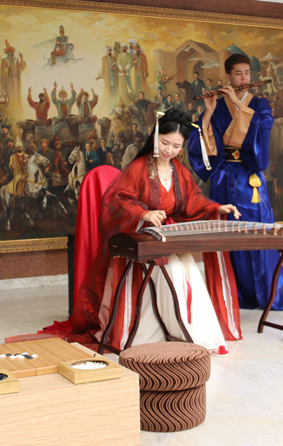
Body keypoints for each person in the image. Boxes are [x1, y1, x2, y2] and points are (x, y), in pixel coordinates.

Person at [51, 109, 242, 353]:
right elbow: (118, 200)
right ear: (155, 136)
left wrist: (216, 207)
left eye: (176, 146)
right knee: (173, 271)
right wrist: (143, 213)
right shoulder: (139, 167)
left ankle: (196, 337)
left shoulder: (178, 171)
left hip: (168, 237)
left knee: (188, 273)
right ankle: (159, 334)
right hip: (140, 236)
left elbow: (193, 200)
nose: (169, 150)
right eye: (165, 142)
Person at [187, 53, 283, 311]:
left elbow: (263, 127)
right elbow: (202, 140)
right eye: (238, 74)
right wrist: (209, 113)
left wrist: (238, 104)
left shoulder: (260, 103)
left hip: (249, 178)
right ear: (228, 76)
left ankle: (267, 294)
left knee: (257, 232)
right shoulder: (217, 104)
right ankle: (235, 294)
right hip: (223, 179)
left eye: (247, 73)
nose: (244, 78)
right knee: (227, 234)